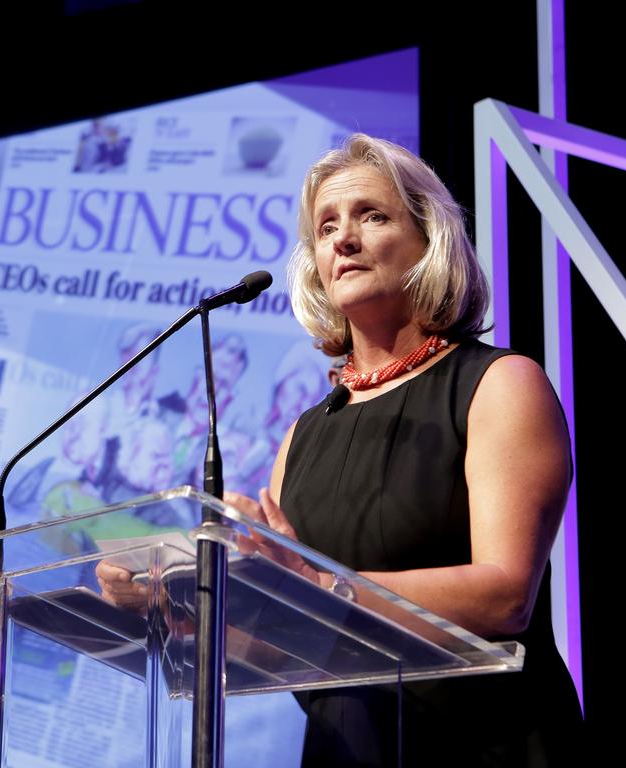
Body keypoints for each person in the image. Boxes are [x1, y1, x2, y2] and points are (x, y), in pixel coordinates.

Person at [99, 133, 583, 765]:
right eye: (326, 228)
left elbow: (505, 596)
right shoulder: (303, 436)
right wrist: (177, 612)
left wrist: (325, 588)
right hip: (348, 749)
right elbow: (287, 645)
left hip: (483, 744)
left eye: (372, 216)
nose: (343, 240)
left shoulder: (497, 385)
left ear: (430, 241)